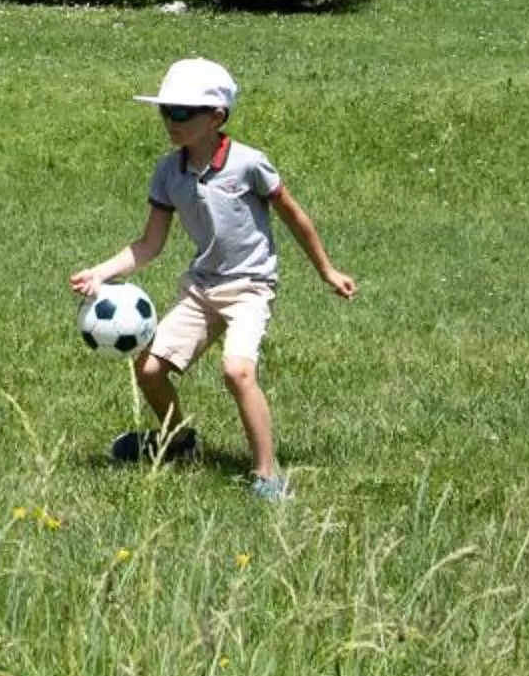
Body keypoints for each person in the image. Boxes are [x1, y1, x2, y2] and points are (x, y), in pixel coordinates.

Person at [70, 58, 357, 502]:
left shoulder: (248, 165)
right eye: (166, 111)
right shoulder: (169, 171)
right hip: (201, 288)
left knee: (237, 370)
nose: (171, 121)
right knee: (148, 370)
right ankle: (178, 442)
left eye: (182, 112)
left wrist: (327, 270)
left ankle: (266, 476)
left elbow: (294, 216)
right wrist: (101, 272)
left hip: (250, 286)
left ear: (216, 117)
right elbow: (149, 244)